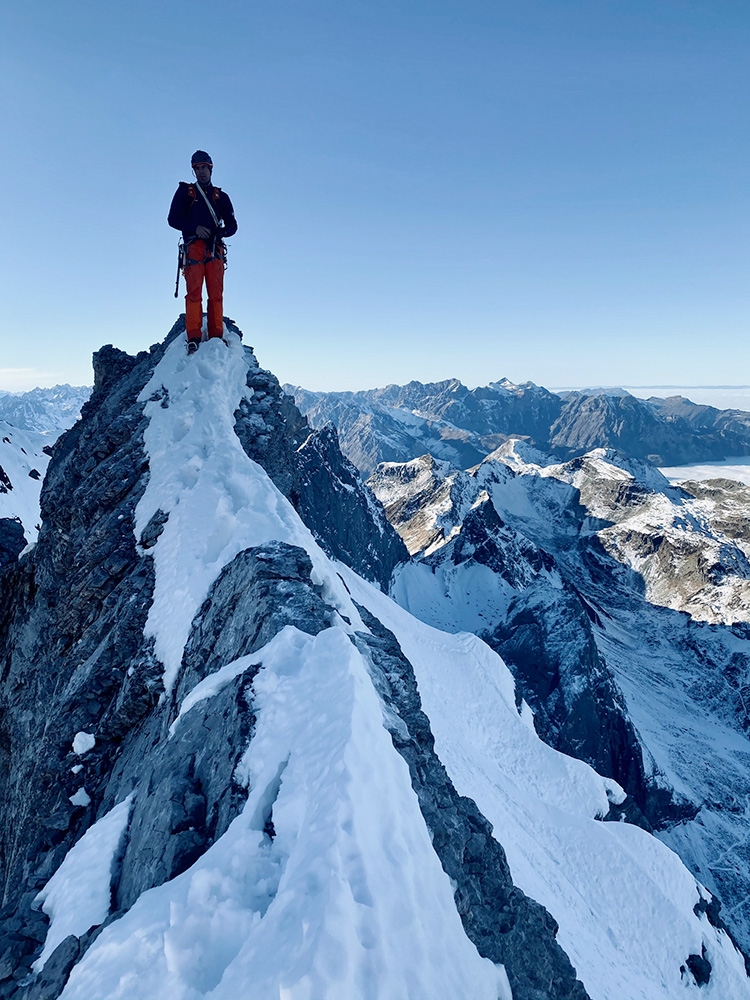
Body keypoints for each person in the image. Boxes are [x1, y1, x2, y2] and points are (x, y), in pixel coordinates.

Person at [168, 150, 238, 352]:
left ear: (210, 168)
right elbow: (173, 219)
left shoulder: (220, 197)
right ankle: (194, 336)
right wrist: (195, 228)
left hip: (213, 247)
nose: (201, 172)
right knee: (194, 293)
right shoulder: (185, 192)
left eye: (204, 168)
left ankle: (216, 335)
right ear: (194, 171)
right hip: (194, 248)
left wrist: (220, 232)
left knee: (215, 294)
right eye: (197, 168)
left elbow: (233, 225)